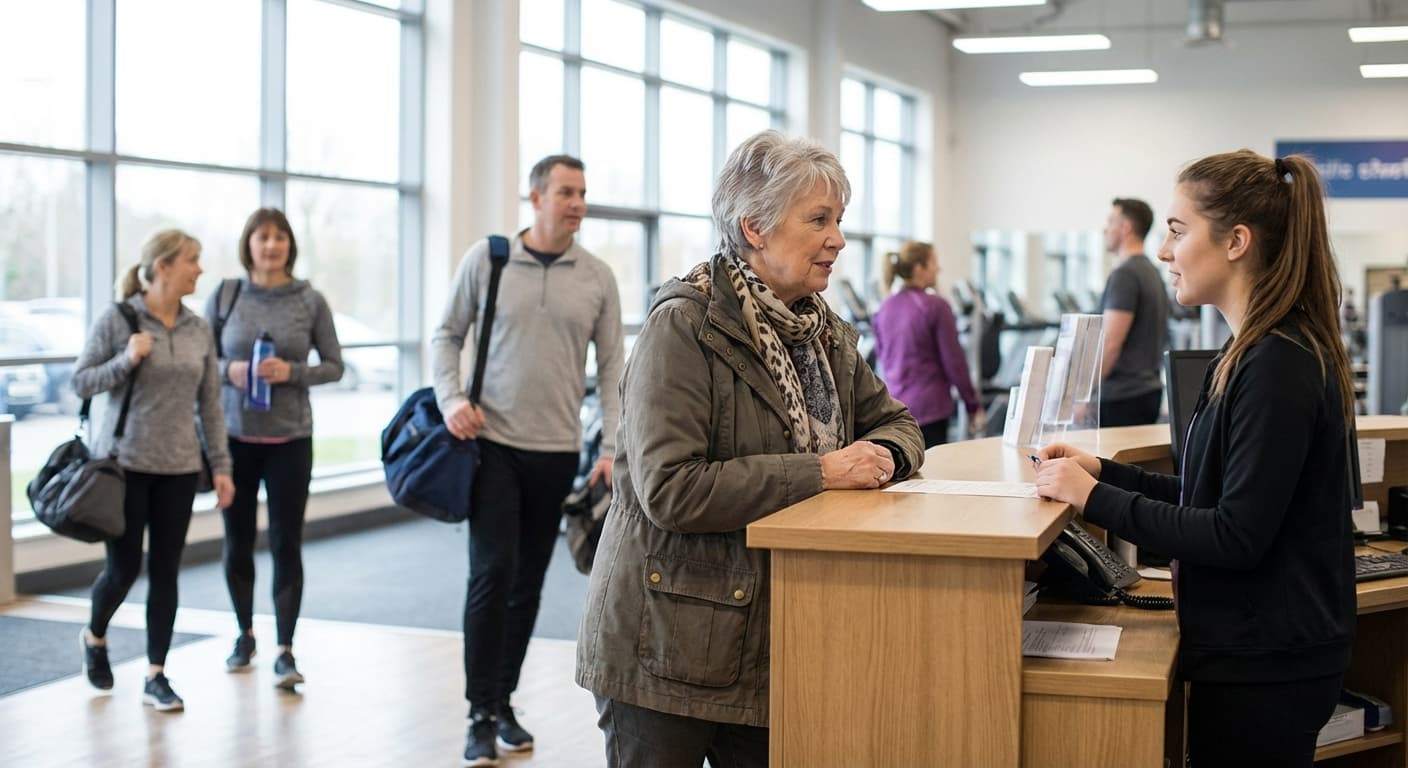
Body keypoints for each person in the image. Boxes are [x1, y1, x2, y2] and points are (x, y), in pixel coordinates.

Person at [575, 130, 925, 767]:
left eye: (839, 220)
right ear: (755, 228)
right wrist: (821, 472)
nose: (838, 240)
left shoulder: (825, 333)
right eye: (818, 219)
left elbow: (900, 425)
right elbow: (671, 490)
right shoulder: (683, 325)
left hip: (773, 640)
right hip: (665, 646)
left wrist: (881, 459)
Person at [1034, 151, 1357, 767]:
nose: (1162, 251)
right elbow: (1212, 492)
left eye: (1177, 232)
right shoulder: (1248, 354)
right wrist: (1106, 474)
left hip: (1270, 662)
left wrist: (1095, 499)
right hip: (1254, 649)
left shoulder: (1277, 363)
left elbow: (1236, 534)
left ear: (1236, 242)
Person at [432, 154, 625, 766]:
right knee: (490, 575)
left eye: (583, 193)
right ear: (536, 197)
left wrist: (614, 447)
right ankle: (479, 710)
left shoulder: (596, 276)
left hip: (557, 452)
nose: (577, 203)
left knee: (526, 584)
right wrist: (451, 398)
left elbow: (615, 366)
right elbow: (445, 334)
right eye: (566, 192)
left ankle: (504, 700)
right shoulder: (488, 259)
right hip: (491, 446)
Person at [73, 229, 236, 712]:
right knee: (123, 569)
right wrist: (127, 358)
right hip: (125, 466)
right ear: (163, 266)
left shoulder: (198, 328)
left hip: (180, 468)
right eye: (192, 260)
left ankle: (156, 674)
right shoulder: (119, 318)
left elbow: (210, 405)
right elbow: (81, 380)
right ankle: (95, 635)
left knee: (166, 570)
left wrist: (221, 466)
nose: (199, 270)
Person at [208, 208, 343, 689]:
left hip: (290, 440)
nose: (271, 246)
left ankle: (285, 649)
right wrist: (232, 371)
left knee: (287, 542)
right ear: (248, 244)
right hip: (234, 440)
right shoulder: (227, 295)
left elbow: (334, 365)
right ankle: (244, 634)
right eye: (263, 237)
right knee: (237, 540)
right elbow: (204, 360)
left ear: (290, 246)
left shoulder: (309, 300)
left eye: (280, 238)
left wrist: (292, 373)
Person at [873, 240, 986, 447]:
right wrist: (973, 405)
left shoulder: (884, 308)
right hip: (929, 410)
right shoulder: (936, 306)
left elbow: (882, 359)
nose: (939, 268)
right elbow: (954, 362)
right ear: (919, 268)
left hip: (895, 410)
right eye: (934, 262)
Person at [1098, 197, 1168, 426]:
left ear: (1125, 228)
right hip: (1146, 392)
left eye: (1110, 221)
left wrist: (1082, 397)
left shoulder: (1125, 274)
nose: (1105, 228)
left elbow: (1111, 343)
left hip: (1122, 396)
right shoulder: (1151, 271)